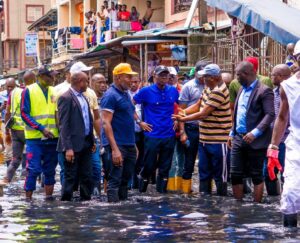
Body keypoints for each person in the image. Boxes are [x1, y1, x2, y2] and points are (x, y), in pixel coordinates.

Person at [173, 64, 231, 196]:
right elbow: (198, 105)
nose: (203, 79)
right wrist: (183, 112)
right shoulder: (208, 88)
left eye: (206, 77)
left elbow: (203, 113)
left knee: (220, 176)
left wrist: (182, 119)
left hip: (218, 140)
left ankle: (221, 203)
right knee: (203, 173)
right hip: (204, 138)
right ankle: (205, 203)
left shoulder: (219, 91)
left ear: (214, 77)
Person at [228, 61, 275, 203]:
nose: (236, 78)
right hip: (238, 137)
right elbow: (238, 113)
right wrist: (232, 132)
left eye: (238, 75)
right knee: (235, 174)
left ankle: (256, 206)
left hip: (256, 140)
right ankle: (238, 206)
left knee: (256, 175)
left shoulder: (264, 90)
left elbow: (270, 114)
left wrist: (255, 132)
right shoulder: (241, 89)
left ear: (246, 74)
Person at [267, 42, 300, 227]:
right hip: (296, 144)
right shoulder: (287, 86)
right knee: (290, 195)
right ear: (295, 60)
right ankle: (289, 235)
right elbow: (281, 117)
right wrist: (273, 146)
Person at [133, 66, 179, 194]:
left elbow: (181, 107)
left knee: (165, 167)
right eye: (161, 75)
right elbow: (130, 104)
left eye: (166, 75)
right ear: (154, 76)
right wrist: (139, 122)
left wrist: (178, 119)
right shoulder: (145, 91)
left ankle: (162, 196)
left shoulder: (173, 91)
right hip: (152, 135)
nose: (164, 77)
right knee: (149, 165)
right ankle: (141, 193)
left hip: (169, 134)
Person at [21, 65, 59, 200]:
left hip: (53, 138)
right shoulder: (28, 91)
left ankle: (49, 200)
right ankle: (28, 201)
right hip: (35, 138)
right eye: (50, 76)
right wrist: (41, 128)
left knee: (50, 171)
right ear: (42, 77)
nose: (53, 78)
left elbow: (57, 114)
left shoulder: (54, 91)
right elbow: (24, 114)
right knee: (33, 170)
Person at [101, 63, 137, 202]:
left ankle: (123, 211)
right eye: (128, 77)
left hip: (128, 143)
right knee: (115, 180)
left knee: (125, 180)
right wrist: (115, 150)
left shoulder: (125, 94)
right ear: (118, 77)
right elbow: (105, 123)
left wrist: (133, 144)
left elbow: (130, 115)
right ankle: (113, 215)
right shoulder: (110, 96)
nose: (131, 80)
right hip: (117, 145)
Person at [57, 71, 95, 201]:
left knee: (86, 175)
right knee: (70, 177)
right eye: (86, 81)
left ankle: (85, 202)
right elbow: (63, 125)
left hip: (86, 143)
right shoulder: (66, 98)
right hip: (72, 145)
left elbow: (88, 120)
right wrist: (68, 148)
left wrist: (92, 141)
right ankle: (66, 205)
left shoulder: (83, 97)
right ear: (80, 82)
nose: (88, 84)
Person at [70, 62, 102, 196]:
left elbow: (96, 117)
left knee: (94, 167)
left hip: (90, 139)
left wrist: (99, 138)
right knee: (71, 172)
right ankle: (70, 198)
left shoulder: (90, 93)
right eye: (85, 74)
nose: (88, 78)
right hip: (72, 140)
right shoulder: (64, 93)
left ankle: (92, 194)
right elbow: (62, 121)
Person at [1, 71, 35, 184]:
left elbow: (7, 113)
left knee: (15, 159)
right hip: (28, 130)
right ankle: (31, 183)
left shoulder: (13, 93)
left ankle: (6, 180)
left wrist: (7, 130)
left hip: (15, 130)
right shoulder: (31, 91)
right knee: (33, 157)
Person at [177, 62, 206, 194]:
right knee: (189, 162)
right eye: (200, 75)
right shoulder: (188, 87)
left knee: (207, 162)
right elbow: (181, 111)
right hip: (191, 128)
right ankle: (186, 191)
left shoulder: (211, 85)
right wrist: (182, 132)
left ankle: (206, 191)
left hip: (207, 129)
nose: (202, 78)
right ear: (195, 73)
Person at [264, 64, 291, 196]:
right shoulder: (272, 92)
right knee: (268, 172)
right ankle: (273, 200)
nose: (271, 77)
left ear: (281, 77)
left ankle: (288, 200)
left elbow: (283, 118)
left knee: (288, 173)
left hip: (286, 140)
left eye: (273, 75)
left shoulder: (292, 92)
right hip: (272, 140)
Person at [128, 75, 144, 189]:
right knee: (132, 156)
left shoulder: (143, 94)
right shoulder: (125, 95)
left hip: (143, 131)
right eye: (131, 82)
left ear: (140, 82)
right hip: (130, 131)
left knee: (142, 157)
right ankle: (130, 184)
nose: (133, 84)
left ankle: (138, 184)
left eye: (136, 82)